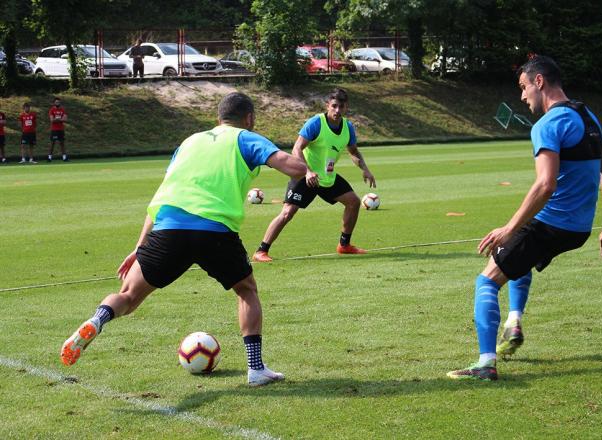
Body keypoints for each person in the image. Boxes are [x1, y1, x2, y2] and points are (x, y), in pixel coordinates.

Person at [60, 92, 307, 386]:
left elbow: (163, 194)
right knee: (246, 289)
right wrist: (310, 170)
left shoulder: (189, 143)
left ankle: (97, 320)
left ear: (217, 118)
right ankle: (255, 368)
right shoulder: (244, 138)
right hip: (214, 232)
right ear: (249, 119)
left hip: (169, 228)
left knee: (128, 295)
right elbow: (288, 164)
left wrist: (139, 247)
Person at [447, 55, 602, 381]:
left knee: (486, 280)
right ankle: (514, 319)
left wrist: (508, 228)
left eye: (524, 87)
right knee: (519, 261)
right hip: (579, 230)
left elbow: (545, 184)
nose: (522, 95)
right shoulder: (589, 117)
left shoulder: (548, 124)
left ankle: (485, 364)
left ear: (539, 81)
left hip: (553, 224)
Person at [252, 88, 376, 262]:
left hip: (327, 177)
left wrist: (365, 169)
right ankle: (261, 251)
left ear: (346, 107)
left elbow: (353, 151)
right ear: (328, 105)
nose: (337, 110)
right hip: (305, 176)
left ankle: (344, 245)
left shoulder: (348, 127)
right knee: (288, 212)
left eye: (341, 106)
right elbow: (297, 148)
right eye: (334, 106)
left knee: (354, 202)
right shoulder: (316, 123)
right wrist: (307, 171)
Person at [48, 97, 69, 162]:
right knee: (52, 143)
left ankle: (64, 157)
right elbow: (52, 120)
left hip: (61, 129)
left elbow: (65, 119)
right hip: (54, 129)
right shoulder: (51, 110)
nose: (57, 103)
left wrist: (57, 119)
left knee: (62, 143)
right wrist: (60, 119)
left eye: (58, 102)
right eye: (56, 102)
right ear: (54, 103)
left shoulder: (63, 110)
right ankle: (49, 157)